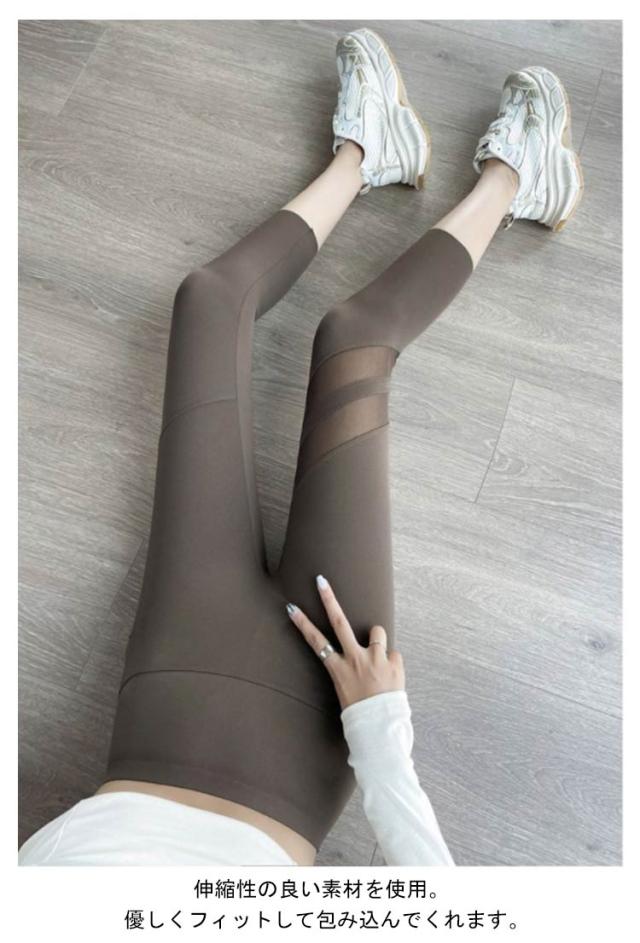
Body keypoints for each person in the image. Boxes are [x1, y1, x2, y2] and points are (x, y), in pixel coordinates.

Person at [19, 27, 583, 867]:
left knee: (208, 301)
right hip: (311, 723)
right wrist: (379, 730)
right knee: (354, 339)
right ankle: (516, 177)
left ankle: (366, 153)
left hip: (163, 703)